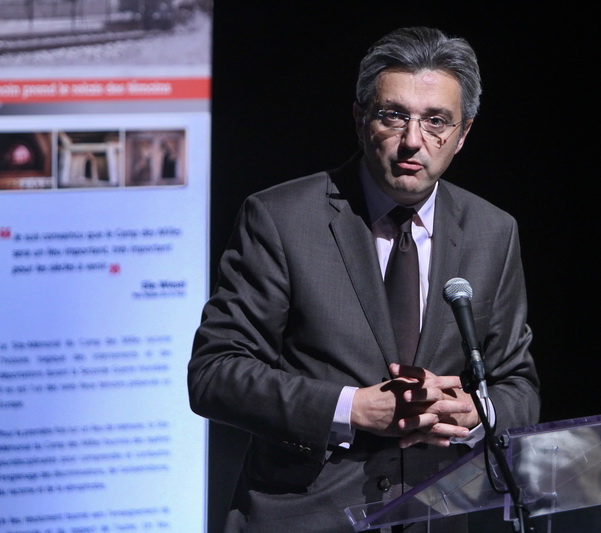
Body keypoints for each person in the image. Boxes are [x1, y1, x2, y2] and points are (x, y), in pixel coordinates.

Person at [188, 26, 541, 532]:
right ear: (360, 120)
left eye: (436, 121)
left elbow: (518, 386)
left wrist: (474, 412)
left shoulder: (493, 231)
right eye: (393, 115)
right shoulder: (281, 219)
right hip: (308, 518)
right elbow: (215, 375)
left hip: (439, 516)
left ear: (462, 134)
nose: (413, 141)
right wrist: (351, 408)